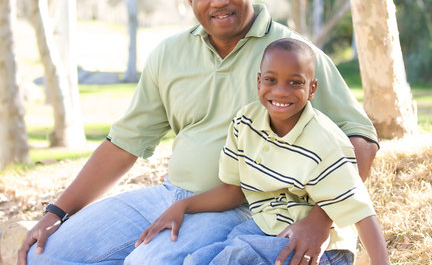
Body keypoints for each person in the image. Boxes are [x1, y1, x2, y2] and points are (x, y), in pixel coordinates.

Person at [18, 0, 380, 265]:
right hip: (170, 195)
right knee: (44, 256)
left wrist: (320, 219)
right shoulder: (169, 54)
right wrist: (56, 213)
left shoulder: (292, 56)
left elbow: (360, 140)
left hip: (243, 205)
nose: (219, 0)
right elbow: (123, 145)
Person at [135, 38, 390, 265]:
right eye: (271, 80)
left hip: (320, 249)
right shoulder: (245, 123)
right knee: (197, 259)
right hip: (265, 228)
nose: (280, 91)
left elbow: (361, 211)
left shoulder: (325, 142)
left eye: (295, 83)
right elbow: (233, 191)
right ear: (259, 82)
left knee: (233, 257)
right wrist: (183, 206)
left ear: (312, 89)